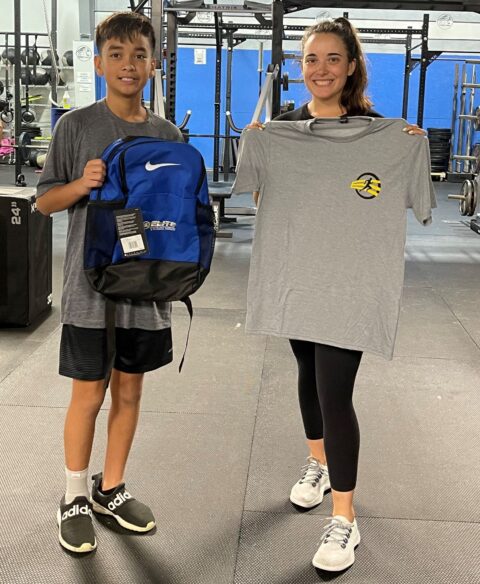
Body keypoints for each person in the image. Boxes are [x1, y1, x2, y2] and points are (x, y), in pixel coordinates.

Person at [238, 18, 430, 572]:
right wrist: (256, 139)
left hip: (351, 285)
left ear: (351, 66)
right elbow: (252, 192)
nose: (320, 69)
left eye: (331, 59)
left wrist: (409, 144)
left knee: (334, 388)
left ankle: (344, 520)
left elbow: (414, 197)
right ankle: (316, 463)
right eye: (311, 60)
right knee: (307, 375)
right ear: (301, 69)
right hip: (297, 277)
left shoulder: (387, 135)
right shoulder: (280, 131)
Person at [36, 12, 183, 554]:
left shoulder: (167, 134)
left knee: (129, 388)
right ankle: (74, 495)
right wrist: (82, 183)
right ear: (98, 64)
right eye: (116, 54)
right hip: (88, 287)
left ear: (154, 63)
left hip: (145, 287)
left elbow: (179, 214)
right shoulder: (73, 127)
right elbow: (45, 201)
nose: (128, 64)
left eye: (138, 54)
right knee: (89, 393)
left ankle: (111, 489)